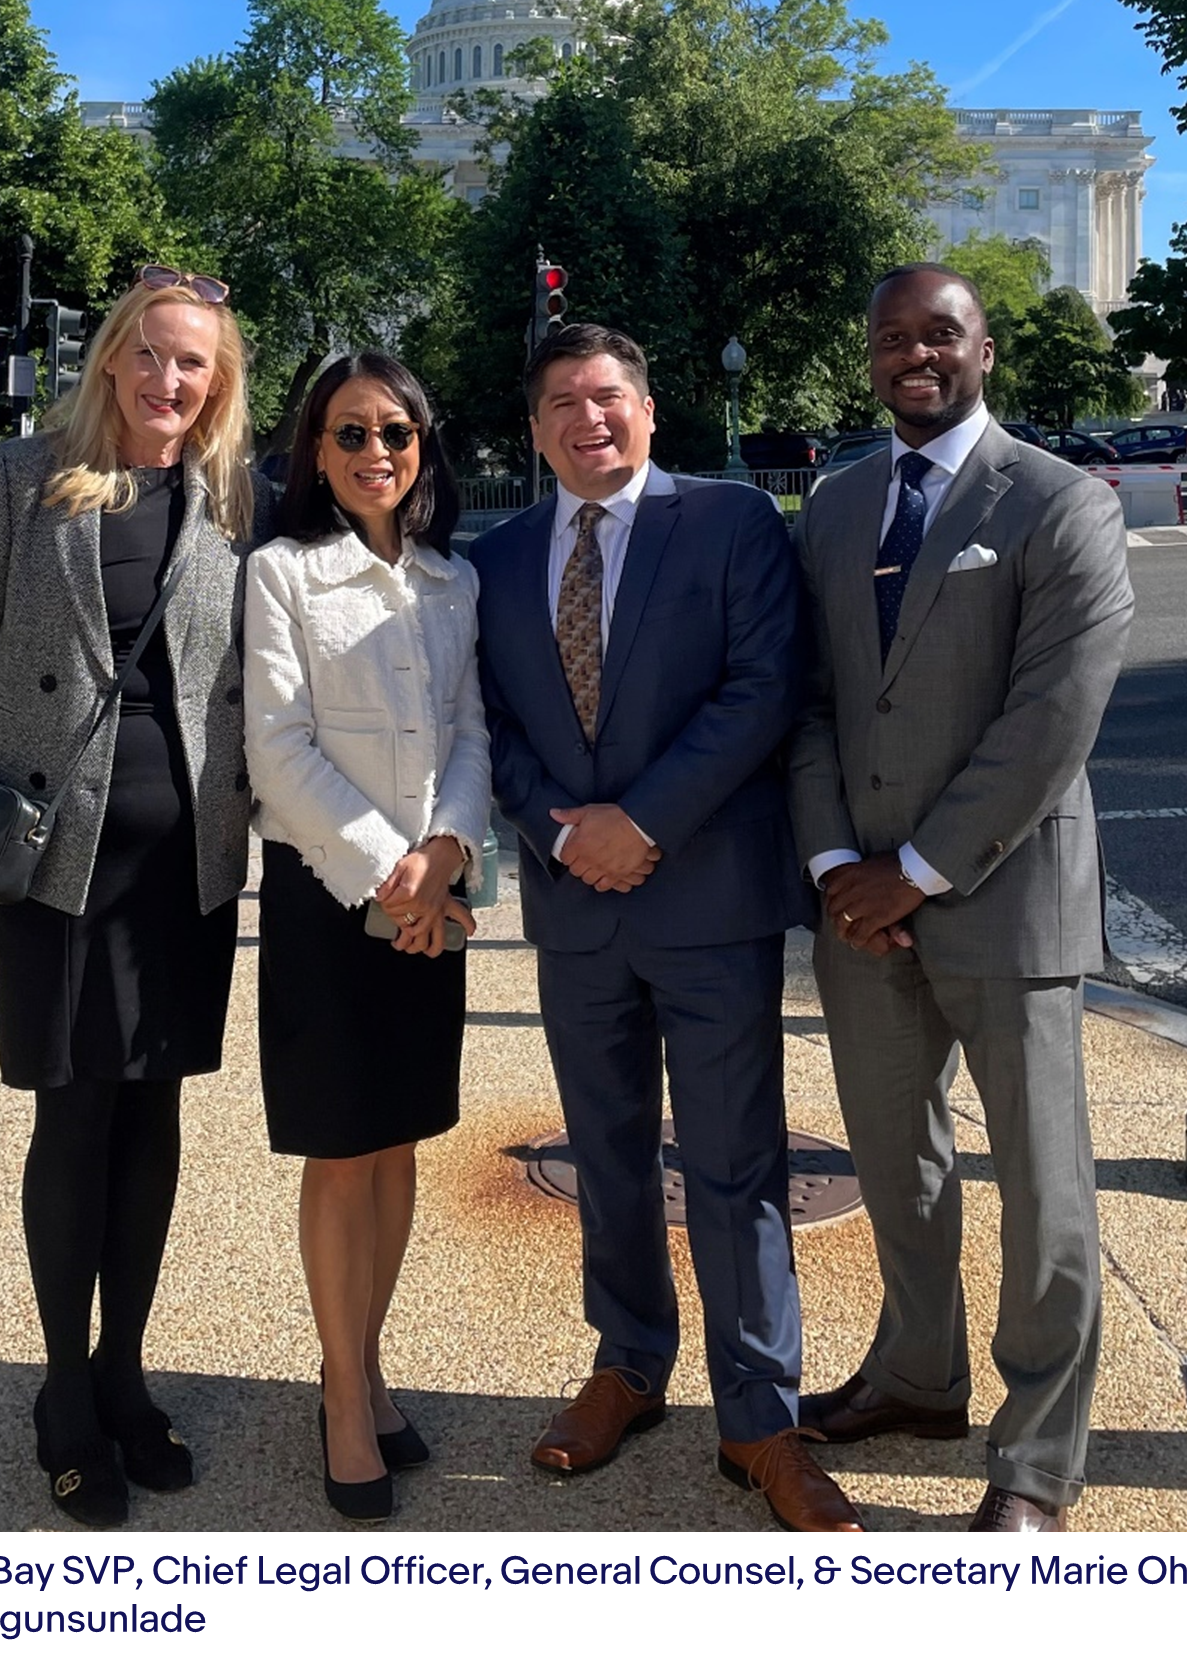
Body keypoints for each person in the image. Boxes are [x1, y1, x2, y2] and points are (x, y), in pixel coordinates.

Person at [469, 323, 862, 1533]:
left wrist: (641, 820)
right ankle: (629, 1362)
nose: (588, 420)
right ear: (534, 429)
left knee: (738, 1162)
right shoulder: (497, 557)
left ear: (649, 409)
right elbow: (486, 719)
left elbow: (763, 689)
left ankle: (761, 1415)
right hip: (574, 904)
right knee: (606, 1147)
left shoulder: (732, 521)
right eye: (562, 404)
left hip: (709, 899)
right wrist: (559, 827)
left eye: (608, 398)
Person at [0, 263, 272, 1528]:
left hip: (184, 866)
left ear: (216, 384)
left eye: (196, 364)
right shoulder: (23, 477)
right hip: (52, 857)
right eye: (151, 354)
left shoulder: (236, 495)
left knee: (155, 1116)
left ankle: (127, 1368)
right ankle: (63, 1389)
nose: (169, 380)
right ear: (114, 356)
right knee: (74, 1118)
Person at [788, 263, 1134, 1533]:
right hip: (856, 908)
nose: (914, 356)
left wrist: (917, 869)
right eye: (892, 338)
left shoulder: (1058, 502)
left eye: (941, 334)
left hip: (1002, 894)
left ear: (985, 350)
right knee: (897, 1160)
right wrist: (836, 865)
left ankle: (1038, 1456)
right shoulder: (832, 506)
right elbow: (812, 701)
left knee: (1044, 1187)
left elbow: (1052, 716)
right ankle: (917, 1375)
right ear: (871, 357)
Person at [243, 351, 490, 1522]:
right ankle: (342, 1390)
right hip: (334, 899)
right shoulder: (284, 573)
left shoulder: (454, 580)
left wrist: (446, 852)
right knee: (343, 1153)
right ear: (314, 450)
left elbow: (472, 731)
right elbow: (278, 749)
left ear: (423, 444)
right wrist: (388, 870)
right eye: (348, 433)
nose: (375, 451)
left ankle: (370, 1355)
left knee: (398, 1146)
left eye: (396, 430)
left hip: (428, 901)